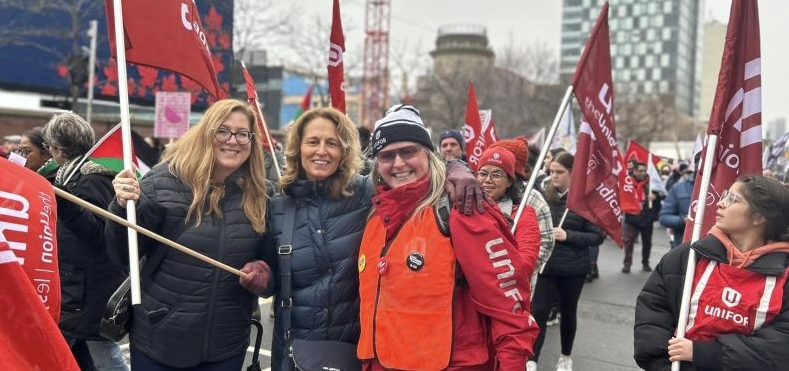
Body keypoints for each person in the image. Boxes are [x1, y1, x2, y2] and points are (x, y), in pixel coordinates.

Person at [358, 105, 538, 370]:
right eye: (387, 155)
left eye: (409, 151)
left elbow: (509, 308)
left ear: (429, 155)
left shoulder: (462, 209)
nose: (398, 163)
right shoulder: (374, 218)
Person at [109, 99, 271, 371]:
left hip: (225, 346)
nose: (233, 140)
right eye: (223, 130)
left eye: (243, 133)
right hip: (159, 340)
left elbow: (271, 263)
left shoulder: (263, 194)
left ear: (252, 142)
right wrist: (121, 208)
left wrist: (264, 273)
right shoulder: (162, 182)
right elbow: (123, 254)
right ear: (206, 133)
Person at [634, 175, 789, 370]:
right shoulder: (689, 256)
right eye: (725, 196)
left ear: (759, 217)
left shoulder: (784, 275)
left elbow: (780, 347)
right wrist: (664, 365)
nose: (720, 203)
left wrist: (703, 354)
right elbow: (652, 312)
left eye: (733, 199)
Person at [262, 107, 371, 370]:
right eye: (313, 141)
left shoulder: (367, 193)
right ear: (298, 148)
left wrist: (458, 173)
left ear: (344, 151)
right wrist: (260, 277)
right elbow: (269, 283)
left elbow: (414, 179)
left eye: (331, 143)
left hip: (355, 352)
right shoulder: (277, 207)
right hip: (295, 353)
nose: (321, 151)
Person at [45, 113, 129, 371]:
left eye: (50, 146)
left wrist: (66, 205)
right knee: (89, 350)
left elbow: (99, 232)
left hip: (89, 284)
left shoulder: (90, 178)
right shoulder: (68, 176)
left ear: (59, 149)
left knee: (103, 353)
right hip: (78, 282)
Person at [528, 151, 605, 371]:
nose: (554, 176)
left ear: (572, 173)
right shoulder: (545, 195)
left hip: (573, 268)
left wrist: (568, 236)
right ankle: (532, 359)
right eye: (551, 171)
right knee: (539, 311)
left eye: (559, 172)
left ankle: (565, 357)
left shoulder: (584, 200)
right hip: (546, 265)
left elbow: (597, 236)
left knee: (568, 312)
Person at [492, 136, 556, 276]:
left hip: (515, 285)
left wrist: (516, 271)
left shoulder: (531, 198)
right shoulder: (481, 192)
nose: (488, 178)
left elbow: (546, 242)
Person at [477, 145, 542, 276]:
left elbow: (526, 261)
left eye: (496, 175)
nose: (488, 180)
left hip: (503, 287)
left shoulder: (522, 215)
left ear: (509, 182)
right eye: (483, 174)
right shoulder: (464, 209)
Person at [623, 160, 664, 273]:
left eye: (645, 171)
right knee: (628, 241)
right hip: (631, 217)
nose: (643, 173)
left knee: (647, 242)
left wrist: (655, 196)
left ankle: (645, 262)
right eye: (640, 171)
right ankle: (627, 264)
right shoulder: (627, 182)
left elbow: (662, 194)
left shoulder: (652, 183)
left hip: (647, 218)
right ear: (635, 171)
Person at [660, 165, 695, 248]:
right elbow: (664, 217)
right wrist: (682, 220)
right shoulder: (678, 187)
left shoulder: (719, 187)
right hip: (682, 246)